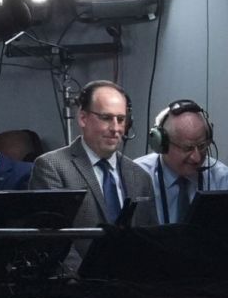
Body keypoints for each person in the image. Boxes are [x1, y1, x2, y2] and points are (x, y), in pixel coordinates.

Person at [29, 80, 157, 263]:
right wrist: (81, 282)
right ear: (83, 118)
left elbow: (150, 237)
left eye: (121, 119)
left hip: (133, 286)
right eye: (106, 118)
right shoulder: (52, 167)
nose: (115, 128)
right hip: (80, 286)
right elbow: (53, 239)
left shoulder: (139, 175)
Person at [135, 99, 228, 224]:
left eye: (202, 146)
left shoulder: (223, 179)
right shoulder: (137, 177)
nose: (196, 158)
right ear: (161, 144)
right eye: (187, 148)